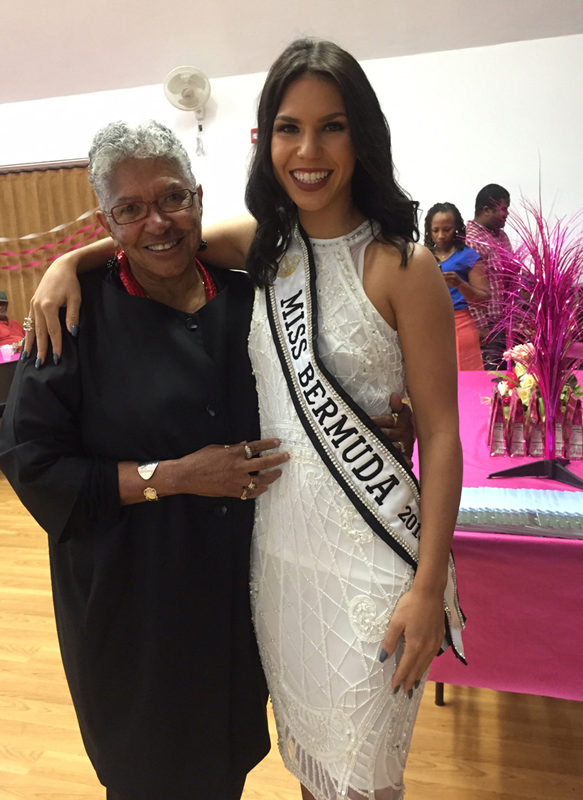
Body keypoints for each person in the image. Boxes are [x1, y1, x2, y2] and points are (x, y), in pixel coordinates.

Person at [23, 40, 464, 800]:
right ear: (268, 140)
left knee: (361, 776)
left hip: (369, 557)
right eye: (290, 128)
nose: (309, 151)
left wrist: (430, 589)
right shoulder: (264, 245)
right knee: (312, 770)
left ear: (362, 135)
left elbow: (443, 435)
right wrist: (67, 264)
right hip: (277, 562)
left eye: (332, 127)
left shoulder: (402, 263)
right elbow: (155, 237)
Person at [0, 120, 291, 800]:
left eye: (173, 198)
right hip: (135, 606)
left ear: (199, 198)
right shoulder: (72, 320)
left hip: (234, 597)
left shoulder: (244, 298)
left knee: (224, 762)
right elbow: (31, 461)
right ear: (107, 221)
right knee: (150, 770)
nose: (157, 222)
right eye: (129, 209)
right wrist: (175, 476)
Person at [424, 202, 489, 370]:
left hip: (459, 324)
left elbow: (483, 300)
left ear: (457, 228)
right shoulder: (423, 256)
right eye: (435, 230)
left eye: (447, 229)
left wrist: (460, 284)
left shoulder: (468, 256)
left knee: (464, 378)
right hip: (428, 325)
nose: (440, 236)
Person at [465, 183, 512, 368]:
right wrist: (481, 327)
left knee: (508, 378)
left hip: (504, 322)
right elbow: (471, 288)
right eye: (503, 209)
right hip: (486, 327)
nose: (507, 214)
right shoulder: (470, 240)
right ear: (486, 210)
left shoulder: (502, 237)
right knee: (490, 377)